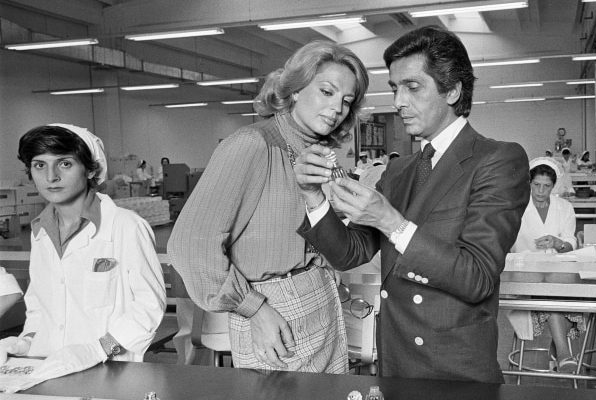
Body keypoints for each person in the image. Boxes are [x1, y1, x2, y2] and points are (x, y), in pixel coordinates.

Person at [295, 25, 530, 383]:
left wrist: (392, 222)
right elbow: (349, 253)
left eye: (413, 87)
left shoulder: (496, 160)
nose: (399, 102)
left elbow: (478, 278)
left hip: (454, 373)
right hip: (396, 364)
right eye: (395, 88)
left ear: (453, 91)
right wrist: (313, 195)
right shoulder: (398, 171)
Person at [168, 41, 369, 373]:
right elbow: (190, 245)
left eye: (346, 101)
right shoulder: (253, 145)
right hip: (274, 310)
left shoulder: (310, 151)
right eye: (327, 92)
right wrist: (254, 309)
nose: (337, 108)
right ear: (295, 90)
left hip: (320, 296)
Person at [1, 124, 165, 375]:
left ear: (91, 170)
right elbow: (39, 306)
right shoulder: (40, 232)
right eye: (39, 165)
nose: (51, 177)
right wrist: (27, 341)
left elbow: (148, 307)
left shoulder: (126, 226)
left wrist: (98, 350)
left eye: (65, 163)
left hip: (111, 373)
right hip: (50, 369)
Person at [507, 157, 580, 373]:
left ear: (553, 186)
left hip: (559, 271)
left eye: (546, 186)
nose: (540, 191)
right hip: (524, 273)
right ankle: (563, 353)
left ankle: (558, 348)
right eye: (536, 185)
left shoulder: (564, 208)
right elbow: (506, 241)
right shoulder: (516, 207)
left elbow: (570, 242)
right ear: (529, 183)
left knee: (558, 292)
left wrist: (558, 243)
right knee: (551, 295)